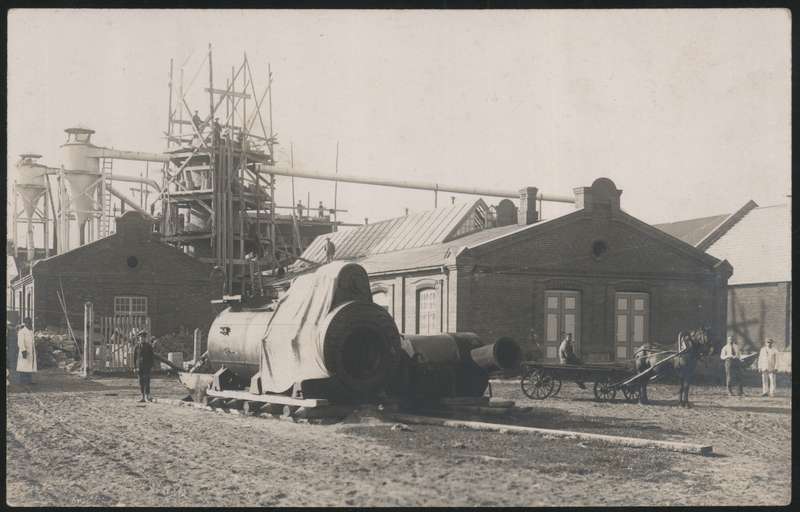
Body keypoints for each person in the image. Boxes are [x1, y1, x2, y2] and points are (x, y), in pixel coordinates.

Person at [133, 330, 155, 402]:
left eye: (143, 337)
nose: (142, 339)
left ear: (145, 338)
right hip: (139, 367)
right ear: (139, 338)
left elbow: (152, 357)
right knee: (141, 382)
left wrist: (151, 366)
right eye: (140, 337)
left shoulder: (149, 346)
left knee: (147, 381)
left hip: (147, 367)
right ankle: (142, 396)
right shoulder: (136, 347)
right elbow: (134, 358)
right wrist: (135, 367)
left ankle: (147, 396)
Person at [16, 317, 37, 385]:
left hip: (31, 351)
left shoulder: (31, 331)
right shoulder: (22, 331)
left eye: (30, 322)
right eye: (28, 322)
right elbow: (20, 342)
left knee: (29, 366)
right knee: (23, 366)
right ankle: (22, 381)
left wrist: (34, 350)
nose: (29, 323)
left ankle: (29, 380)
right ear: (25, 323)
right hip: (24, 351)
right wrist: (23, 350)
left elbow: (32, 342)